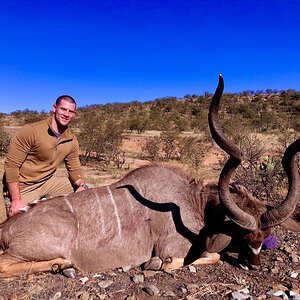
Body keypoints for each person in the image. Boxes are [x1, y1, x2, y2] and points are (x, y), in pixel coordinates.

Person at [2, 95, 88, 218]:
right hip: (24, 187)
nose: (66, 114)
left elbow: (74, 169)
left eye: (71, 111)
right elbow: (11, 166)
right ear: (54, 108)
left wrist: (82, 186)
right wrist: (16, 200)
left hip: (47, 183)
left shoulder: (71, 139)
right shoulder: (31, 131)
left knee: (88, 194)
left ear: (74, 114)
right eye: (63, 109)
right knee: (19, 226)